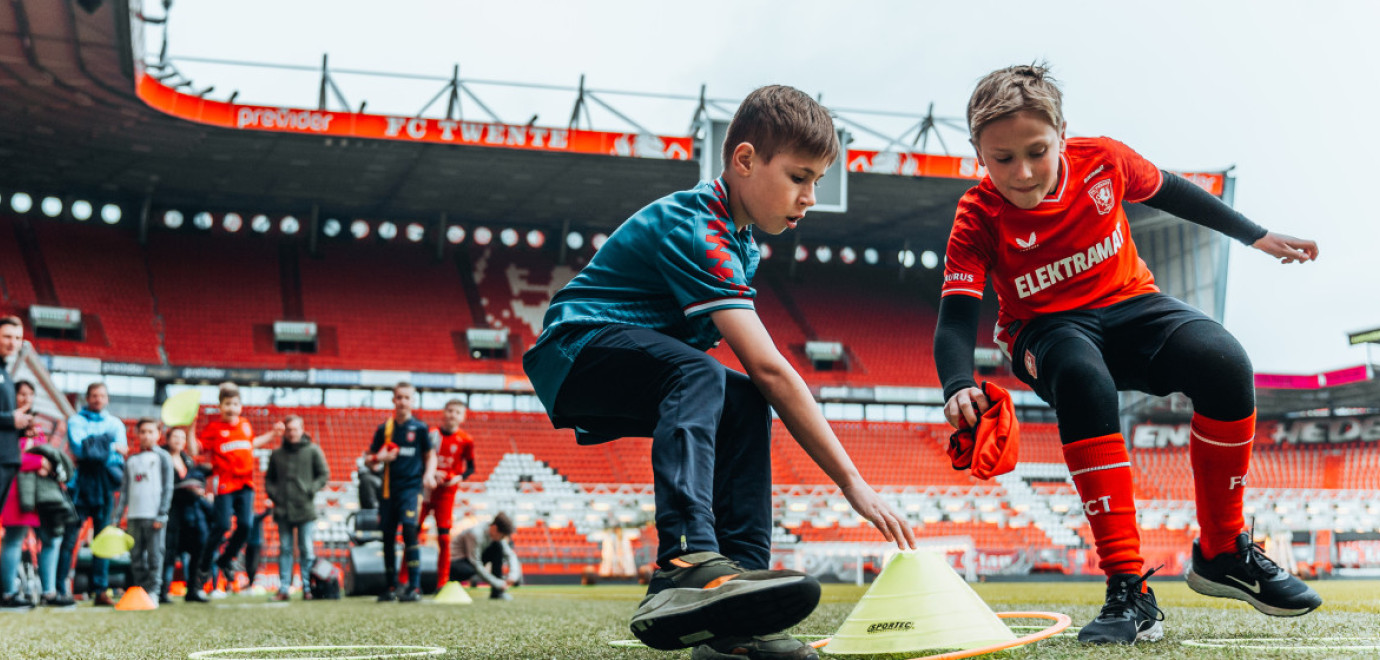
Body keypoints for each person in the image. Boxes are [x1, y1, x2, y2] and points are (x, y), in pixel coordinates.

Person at [933, 64, 1322, 645]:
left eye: (1037, 151)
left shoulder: (1104, 160)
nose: (1023, 172)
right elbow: (956, 317)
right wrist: (957, 383)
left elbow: (1178, 192)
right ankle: (1128, 590)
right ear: (977, 154)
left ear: (1062, 132)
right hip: (1046, 330)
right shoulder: (978, 215)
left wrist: (1256, 236)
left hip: (1131, 305)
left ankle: (1223, 552)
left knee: (1226, 362)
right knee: (1084, 379)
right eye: (1002, 159)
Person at [522, 85, 915, 658]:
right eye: (800, 177)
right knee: (711, 378)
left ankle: (739, 616)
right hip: (576, 350)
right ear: (746, 160)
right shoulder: (697, 227)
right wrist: (852, 481)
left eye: (817, 183)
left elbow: (758, 386)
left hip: (625, 358)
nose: (809, 197)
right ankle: (686, 561)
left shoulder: (742, 241)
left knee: (743, 402)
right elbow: (771, 368)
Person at [192, 382, 276, 602]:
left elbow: (252, 443)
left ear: (241, 406)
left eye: (235, 403)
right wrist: (190, 428)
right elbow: (195, 449)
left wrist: (272, 434)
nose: (232, 408)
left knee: (247, 526)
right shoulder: (213, 429)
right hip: (225, 485)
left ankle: (224, 559)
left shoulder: (246, 425)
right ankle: (204, 565)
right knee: (221, 525)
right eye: (227, 404)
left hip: (246, 484)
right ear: (220, 406)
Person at [57, 381, 127, 606]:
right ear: (87, 398)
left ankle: (100, 590)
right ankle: (61, 588)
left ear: (107, 399)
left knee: (102, 539)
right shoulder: (76, 420)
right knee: (70, 539)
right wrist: (109, 444)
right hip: (81, 486)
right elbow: (79, 449)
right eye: (94, 395)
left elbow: (119, 455)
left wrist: (95, 445)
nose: (98, 399)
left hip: (105, 486)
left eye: (102, 396)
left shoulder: (115, 423)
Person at [366, 382, 435, 603]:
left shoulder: (421, 429)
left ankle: (414, 586)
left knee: (409, 531)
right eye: (399, 397)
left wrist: (429, 474)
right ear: (393, 400)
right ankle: (391, 586)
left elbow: (430, 455)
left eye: (407, 397)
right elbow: (368, 459)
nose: (403, 401)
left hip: (411, 489)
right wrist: (379, 458)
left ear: (412, 401)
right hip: (387, 492)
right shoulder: (384, 430)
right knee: (387, 537)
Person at [2, 376, 61, 610]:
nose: (26, 398)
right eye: (21, 394)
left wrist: (45, 463)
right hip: (17, 490)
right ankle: (8, 592)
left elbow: (44, 453)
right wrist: (39, 463)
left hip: (40, 493)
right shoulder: (9, 424)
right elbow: (11, 456)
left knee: (51, 538)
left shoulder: (35, 425)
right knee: (14, 539)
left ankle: (49, 591)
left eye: (30, 394)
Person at [264, 414, 329, 601]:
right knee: (284, 549)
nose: (292, 433)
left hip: (305, 509)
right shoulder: (277, 454)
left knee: (307, 549)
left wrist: (310, 489)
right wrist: (274, 495)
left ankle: (307, 588)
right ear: (285, 431)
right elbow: (269, 479)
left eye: (295, 429)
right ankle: (284, 588)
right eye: (289, 429)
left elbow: (323, 474)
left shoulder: (313, 451)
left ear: (302, 429)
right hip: (283, 509)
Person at [115, 419, 173, 605]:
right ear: (138, 434)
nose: (146, 435)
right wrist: (117, 517)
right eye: (143, 432)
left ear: (158, 434)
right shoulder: (131, 460)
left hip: (154, 515)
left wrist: (162, 514)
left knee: (155, 555)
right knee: (136, 556)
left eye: (150, 431)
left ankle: (154, 592)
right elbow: (124, 491)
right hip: (134, 516)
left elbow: (167, 487)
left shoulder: (163, 457)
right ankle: (140, 590)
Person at [419, 399, 474, 588]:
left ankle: (442, 581)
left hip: (447, 493)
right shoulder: (432, 435)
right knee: (413, 533)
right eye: (450, 410)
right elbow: (421, 460)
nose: (452, 415)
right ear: (444, 412)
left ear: (463, 417)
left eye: (457, 412)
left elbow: (470, 468)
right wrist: (430, 473)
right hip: (426, 490)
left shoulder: (465, 440)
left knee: (444, 537)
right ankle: (408, 580)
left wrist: (456, 478)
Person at [161, 427, 210, 604]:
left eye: (182, 437)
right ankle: (163, 590)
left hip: (190, 511)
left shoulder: (187, 460)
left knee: (198, 546)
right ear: (167, 438)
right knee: (169, 550)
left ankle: (193, 589)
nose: (179, 440)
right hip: (171, 510)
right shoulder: (162, 457)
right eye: (176, 436)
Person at [449, 512, 520, 601]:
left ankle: (497, 593)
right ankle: (445, 583)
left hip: (471, 561)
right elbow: (476, 563)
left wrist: (513, 575)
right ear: (494, 528)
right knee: (469, 569)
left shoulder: (496, 538)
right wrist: (498, 583)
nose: (502, 539)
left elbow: (510, 554)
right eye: (502, 536)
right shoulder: (475, 534)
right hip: (455, 562)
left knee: (498, 548)